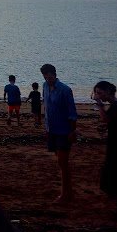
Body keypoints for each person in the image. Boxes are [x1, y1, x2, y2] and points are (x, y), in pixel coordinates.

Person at [92, 80, 117, 219]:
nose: (98, 95)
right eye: (97, 93)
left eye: (100, 93)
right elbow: (113, 122)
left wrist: (99, 105)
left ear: (108, 91)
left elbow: (106, 119)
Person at [40, 63, 78, 203]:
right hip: (52, 130)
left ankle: (65, 194)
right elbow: (47, 108)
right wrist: (47, 128)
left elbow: (72, 112)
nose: (47, 78)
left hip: (64, 131)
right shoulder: (44, 86)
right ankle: (69, 192)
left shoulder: (65, 90)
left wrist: (72, 131)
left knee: (63, 162)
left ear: (54, 74)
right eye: (45, 76)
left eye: (49, 75)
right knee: (61, 163)